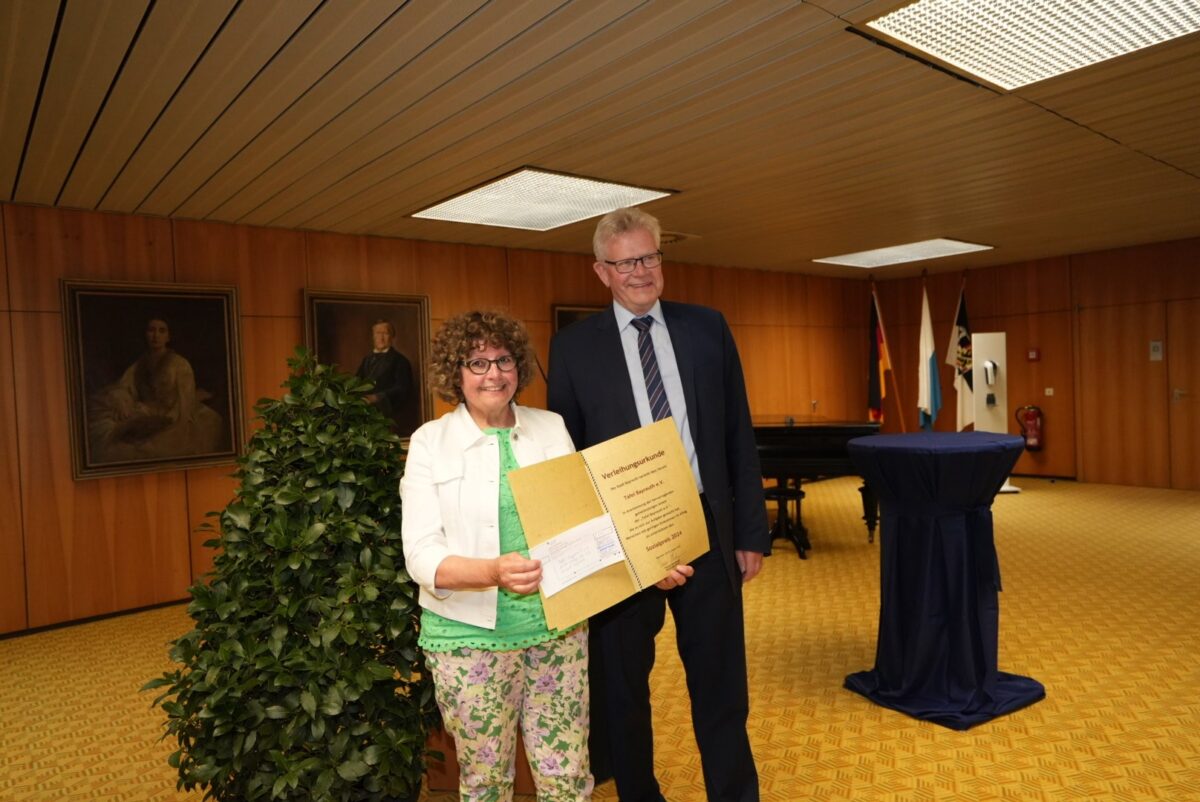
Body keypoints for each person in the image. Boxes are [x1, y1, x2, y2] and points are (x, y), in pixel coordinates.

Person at [547, 208, 769, 802]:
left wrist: (750, 531)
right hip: (623, 542)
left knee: (721, 683)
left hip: (708, 528)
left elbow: (736, 436)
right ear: (602, 271)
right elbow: (569, 460)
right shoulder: (572, 349)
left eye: (650, 257)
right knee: (623, 688)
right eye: (626, 263)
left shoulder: (707, 329)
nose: (641, 272)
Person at [400, 310, 594, 802]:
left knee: (567, 778)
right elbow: (421, 556)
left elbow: (583, 522)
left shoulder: (551, 427)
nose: (493, 374)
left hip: (558, 631)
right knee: (486, 782)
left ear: (518, 367)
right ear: (455, 374)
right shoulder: (430, 442)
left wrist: (648, 559)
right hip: (467, 640)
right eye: (477, 362)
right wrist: (492, 572)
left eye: (503, 359)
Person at [87, 316, 224, 464]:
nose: (156, 335)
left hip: (174, 415)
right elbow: (124, 386)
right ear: (145, 334)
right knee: (105, 431)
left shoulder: (180, 364)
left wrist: (166, 420)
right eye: (151, 330)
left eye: (161, 331)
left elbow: (184, 403)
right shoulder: (140, 364)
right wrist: (122, 399)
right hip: (144, 412)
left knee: (151, 447)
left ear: (168, 336)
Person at [356, 319, 414, 427]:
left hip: (388, 415)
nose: (381, 338)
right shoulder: (367, 360)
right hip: (365, 413)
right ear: (373, 336)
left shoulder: (400, 361)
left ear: (392, 337)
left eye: (385, 333)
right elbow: (356, 382)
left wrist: (377, 397)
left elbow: (403, 388)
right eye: (378, 333)